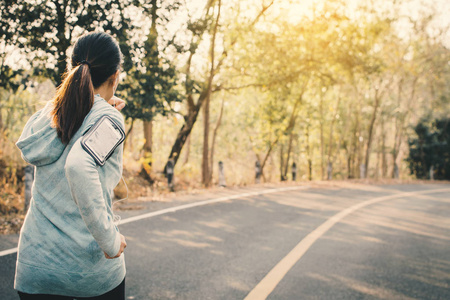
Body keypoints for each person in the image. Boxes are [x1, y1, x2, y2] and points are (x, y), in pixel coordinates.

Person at [14, 32, 127, 300]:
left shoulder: (50, 115)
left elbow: (66, 128)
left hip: (35, 270)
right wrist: (110, 240)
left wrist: (98, 108)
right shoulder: (108, 120)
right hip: (88, 274)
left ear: (72, 70)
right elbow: (78, 165)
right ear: (116, 76)